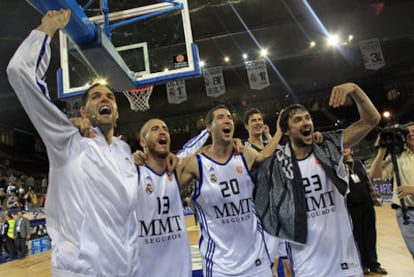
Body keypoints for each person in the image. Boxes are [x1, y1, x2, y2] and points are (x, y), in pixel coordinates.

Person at [7, 9, 140, 276]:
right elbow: (20, 72)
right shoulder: (68, 141)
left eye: (110, 97)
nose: (105, 99)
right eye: (96, 97)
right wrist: (49, 27)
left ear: (117, 112)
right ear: (83, 112)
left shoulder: (125, 151)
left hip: (128, 270)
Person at [253, 83, 381, 276]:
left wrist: (355, 89)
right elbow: (258, 161)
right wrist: (275, 133)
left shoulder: (328, 148)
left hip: (346, 262)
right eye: (297, 120)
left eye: (308, 118)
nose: (306, 122)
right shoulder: (279, 165)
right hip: (307, 265)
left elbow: (371, 120)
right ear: (286, 131)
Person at [176, 104, 283, 277]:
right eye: (220, 117)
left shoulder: (244, 154)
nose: (227, 120)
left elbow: (265, 157)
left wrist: (278, 132)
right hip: (221, 266)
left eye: (229, 117)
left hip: (256, 260)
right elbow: (171, 181)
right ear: (210, 127)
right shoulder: (197, 163)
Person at [135, 118, 192, 277]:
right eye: (155, 129)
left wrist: (233, 144)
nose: (162, 131)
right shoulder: (132, 174)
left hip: (181, 272)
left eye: (165, 129)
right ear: (142, 142)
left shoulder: (177, 170)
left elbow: (209, 155)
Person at [243, 107, 292, 277]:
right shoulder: (244, 149)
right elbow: (262, 157)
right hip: (262, 215)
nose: (258, 123)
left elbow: (282, 158)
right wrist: (278, 132)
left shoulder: (269, 144)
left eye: (259, 119)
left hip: (281, 211)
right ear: (246, 126)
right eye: (253, 120)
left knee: (290, 264)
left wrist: (271, 136)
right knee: (267, 267)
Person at [369, 121, 414, 259]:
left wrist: (411, 189)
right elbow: (375, 177)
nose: (411, 134)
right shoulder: (397, 157)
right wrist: (381, 151)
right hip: (407, 213)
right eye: (409, 132)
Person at [343, 147, 387, 275]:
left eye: (346, 148)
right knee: (357, 237)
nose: (343, 150)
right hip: (352, 206)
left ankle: (373, 263)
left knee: (370, 235)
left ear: (351, 150)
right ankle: (361, 264)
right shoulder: (340, 166)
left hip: (367, 204)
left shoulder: (359, 164)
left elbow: (368, 180)